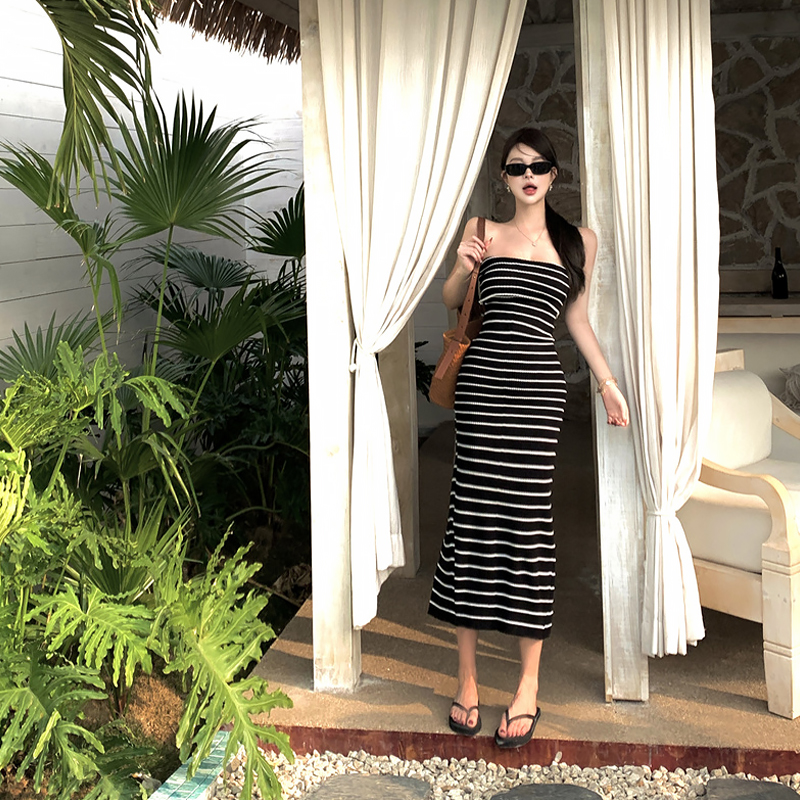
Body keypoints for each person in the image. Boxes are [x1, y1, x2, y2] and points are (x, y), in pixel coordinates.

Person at [427, 127, 629, 748]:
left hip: (539, 398)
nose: (529, 176)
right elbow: (451, 300)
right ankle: (467, 679)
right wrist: (464, 267)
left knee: (528, 524)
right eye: (517, 168)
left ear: (554, 175)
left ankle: (528, 686)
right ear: (505, 177)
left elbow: (577, 320)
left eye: (539, 167)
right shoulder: (482, 230)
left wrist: (607, 382)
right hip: (483, 391)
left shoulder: (579, 241)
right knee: (470, 518)